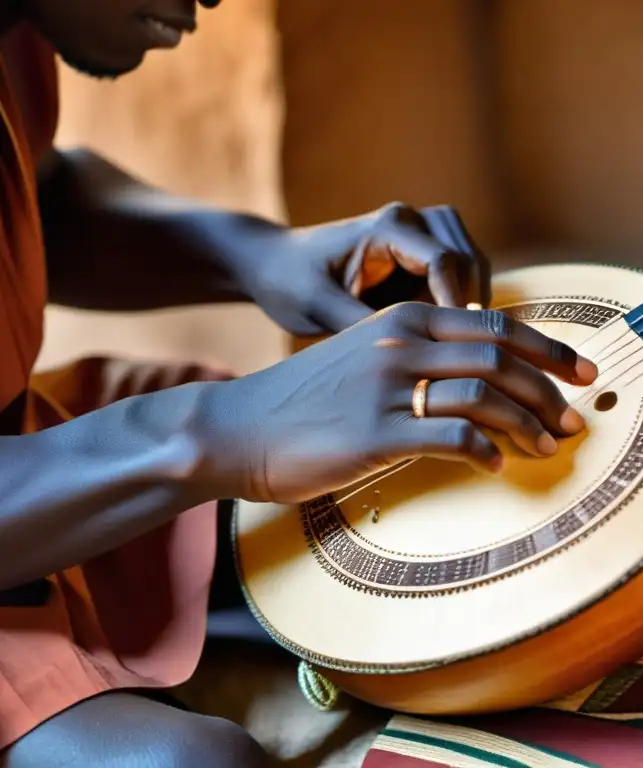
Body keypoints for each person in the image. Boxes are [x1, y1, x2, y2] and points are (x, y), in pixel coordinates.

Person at [0, 2, 599, 765]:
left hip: (31, 453)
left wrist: (261, 254)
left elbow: (40, 188)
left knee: (390, 489)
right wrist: (226, 431)